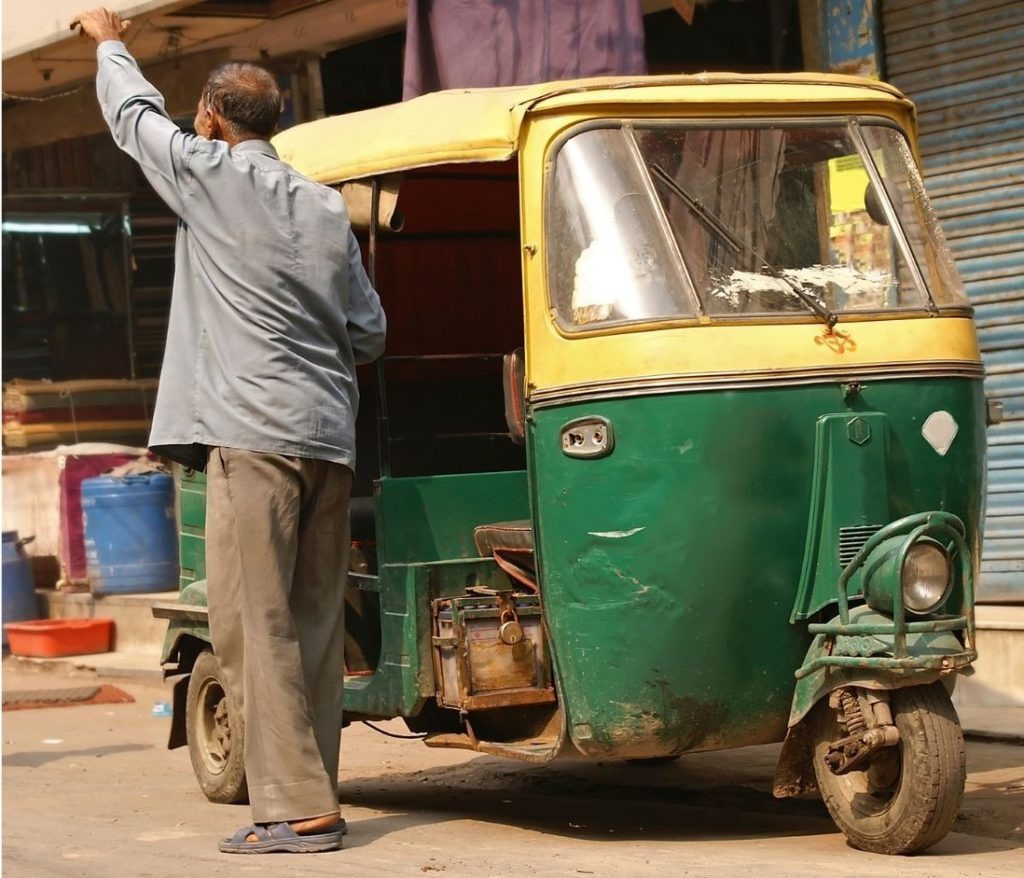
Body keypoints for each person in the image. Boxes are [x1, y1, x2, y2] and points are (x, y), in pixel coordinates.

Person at [72, 8, 386, 855]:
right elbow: (369, 332)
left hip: (254, 435)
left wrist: (108, 40)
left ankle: (298, 810)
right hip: (328, 438)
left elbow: (135, 120)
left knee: (253, 624)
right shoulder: (324, 209)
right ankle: (312, 791)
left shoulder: (208, 174)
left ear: (211, 118)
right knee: (317, 623)